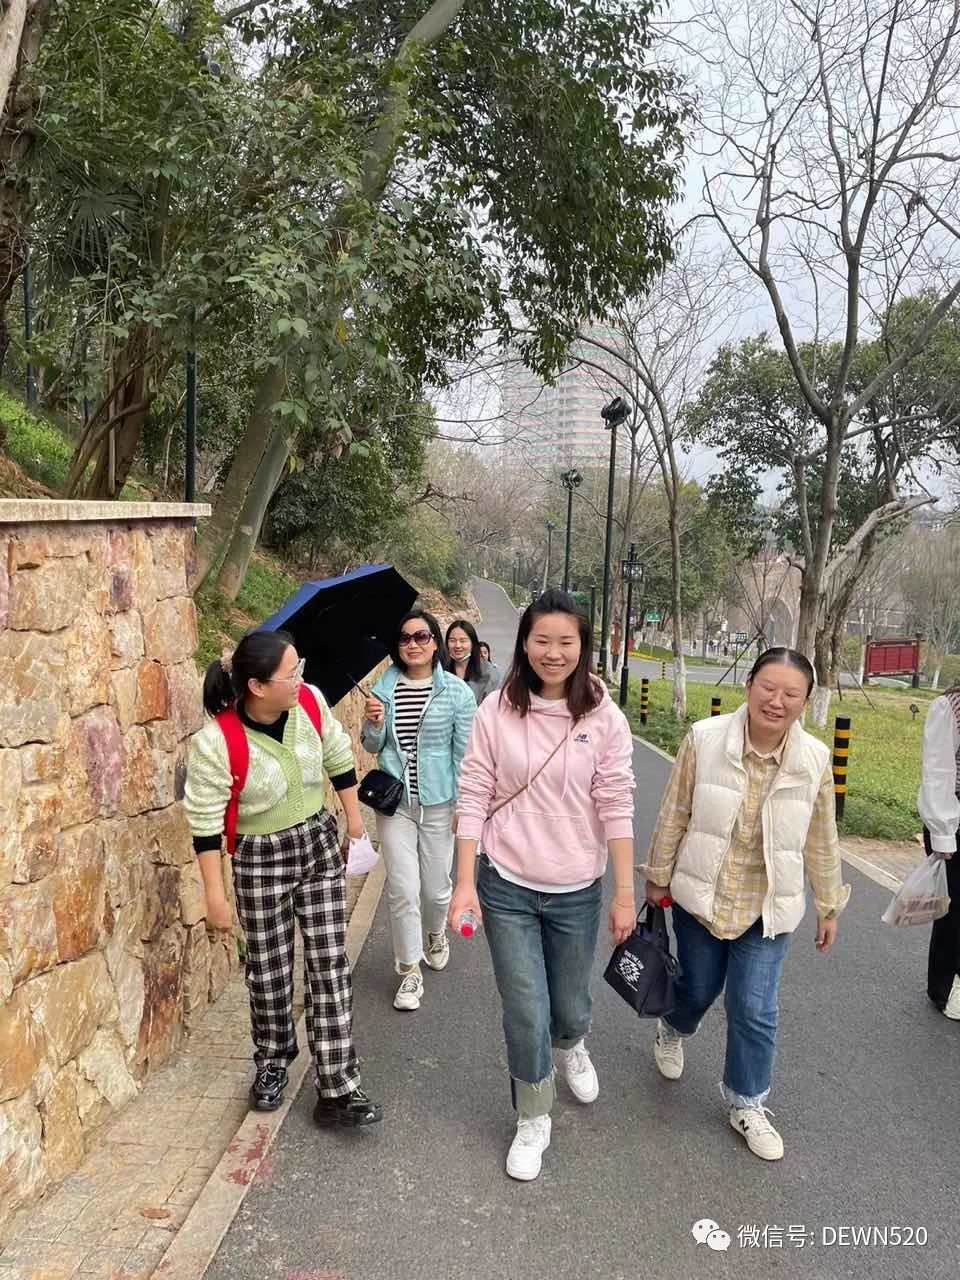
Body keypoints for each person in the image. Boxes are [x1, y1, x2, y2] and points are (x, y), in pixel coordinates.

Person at [450, 589, 636, 1181]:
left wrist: (625, 893)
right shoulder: (495, 710)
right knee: (526, 1009)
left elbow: (617, 802)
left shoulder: (603, 716)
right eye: (541, 640)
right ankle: (533, 1115)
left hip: (577, 888)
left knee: (570, 1004)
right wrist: (463, 882)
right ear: (524, 644)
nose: (553, 653)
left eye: (565, 642)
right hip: (505, 882)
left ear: (583, 646)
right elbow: (474, 793)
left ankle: (573, 1043)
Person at [640, 647, 849, 1162]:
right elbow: (674, 812)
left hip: (767, 907)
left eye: (791, 694)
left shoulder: (814, 759)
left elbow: (822, 837)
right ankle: (673, 1028)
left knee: (754, 1007)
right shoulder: (704, 739)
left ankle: (747, 1102)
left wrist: (828, 904)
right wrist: (657, 877)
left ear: (805, 702)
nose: (777, 701)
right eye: (768, 687)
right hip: (702, 897)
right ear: (749, 685)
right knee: (697, 987)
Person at [183, 630, 382, 1127]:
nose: (300, 679)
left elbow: (339, 759)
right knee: (269, 970)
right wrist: (215, 897)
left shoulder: (309, 703)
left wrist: (354, 823)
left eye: (300, 668)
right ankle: (273, 1060)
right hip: (258, 859)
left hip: (317, 844)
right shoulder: (216, 742)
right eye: (290, 673)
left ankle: (338, 1085)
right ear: (256, 686)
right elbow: (205, 825)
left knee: (329, 965)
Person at [361, 610, 476, 1012]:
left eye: (422, 636)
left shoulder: (457, 694)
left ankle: (435, 933)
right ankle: (409, 969)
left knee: (436, 888)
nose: (413, 644)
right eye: (405, 638)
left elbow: (465, 756)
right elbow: (373, 746)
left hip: (440, 803)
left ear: (435, 642)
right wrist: (374, 724)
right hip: (395, 804)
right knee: (402, 887)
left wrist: (465, 806)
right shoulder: (382, 690)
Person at [917, 686, 960, 1019]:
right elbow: (938, 772)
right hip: (954, 816)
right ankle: (947, 987)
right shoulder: (950, 707)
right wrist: (943, 833)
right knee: (954, 912)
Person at [445, 618, 501, 704]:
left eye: (463, 641)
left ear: (473, 643)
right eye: (452, 640)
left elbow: (492, 707)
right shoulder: (440, 670)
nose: (457, 645)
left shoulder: (489, 673)